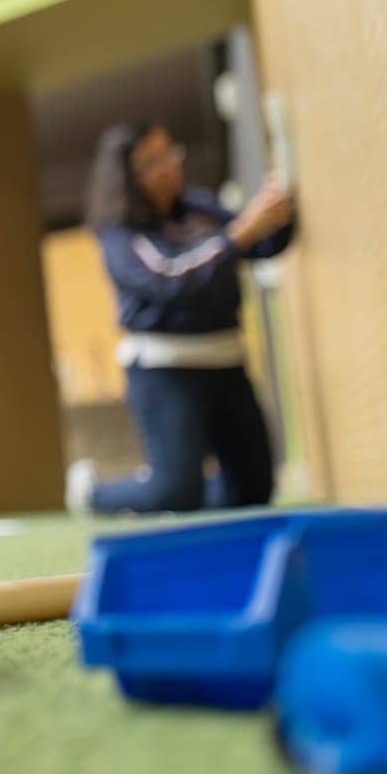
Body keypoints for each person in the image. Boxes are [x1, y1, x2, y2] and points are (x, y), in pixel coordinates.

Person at [66, 123, 296, 516]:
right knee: (173, 493)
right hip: (165, 368)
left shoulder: (201, 208)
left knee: (255, 489)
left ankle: (191, 493)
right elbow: (171, 279)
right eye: (151, 162)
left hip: (226, 361)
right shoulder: (119, 232)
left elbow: (262, 244)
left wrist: (280, 209)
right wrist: (242, 232)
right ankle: (93, 495)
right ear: (126, 177)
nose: (168, 167)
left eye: (169, 153)